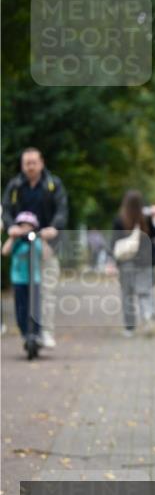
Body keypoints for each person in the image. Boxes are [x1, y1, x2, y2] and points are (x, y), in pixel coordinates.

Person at [2, 147, 68, 349]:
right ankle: (27, 332)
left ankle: (46, 332)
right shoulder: (15, 185)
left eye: (33, 162)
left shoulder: (53, 184)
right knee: (22, 293)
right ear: (22, 165)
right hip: (21, 243)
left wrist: (54, 228)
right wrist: (11, 227)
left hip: (46, 242)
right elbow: (6, 210)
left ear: (41, 163)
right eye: (26, 163)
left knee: (47, 290)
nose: (30, 167)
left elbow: (62, 209)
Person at [112, 191, 155, 337]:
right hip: (145, 261)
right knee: (145, 292)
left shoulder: (119, 219)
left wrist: (114, 261)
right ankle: (147, 316)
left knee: (127, 295)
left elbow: (115, 240)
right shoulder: (145, 218)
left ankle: (129, 328)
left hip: (126, 261)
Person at [2, 212, 45, 347]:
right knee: (21, 308)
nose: (25, 229)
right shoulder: (16, 241)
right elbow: (4, 252)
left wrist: (42, 238)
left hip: (34, 280)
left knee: (35, 307)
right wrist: (13, 237)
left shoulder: (36, 241)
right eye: (23, 226)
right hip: (19, 280)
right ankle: (25, 333)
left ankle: (37, 334)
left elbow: (46, 255)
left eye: (28, 227)